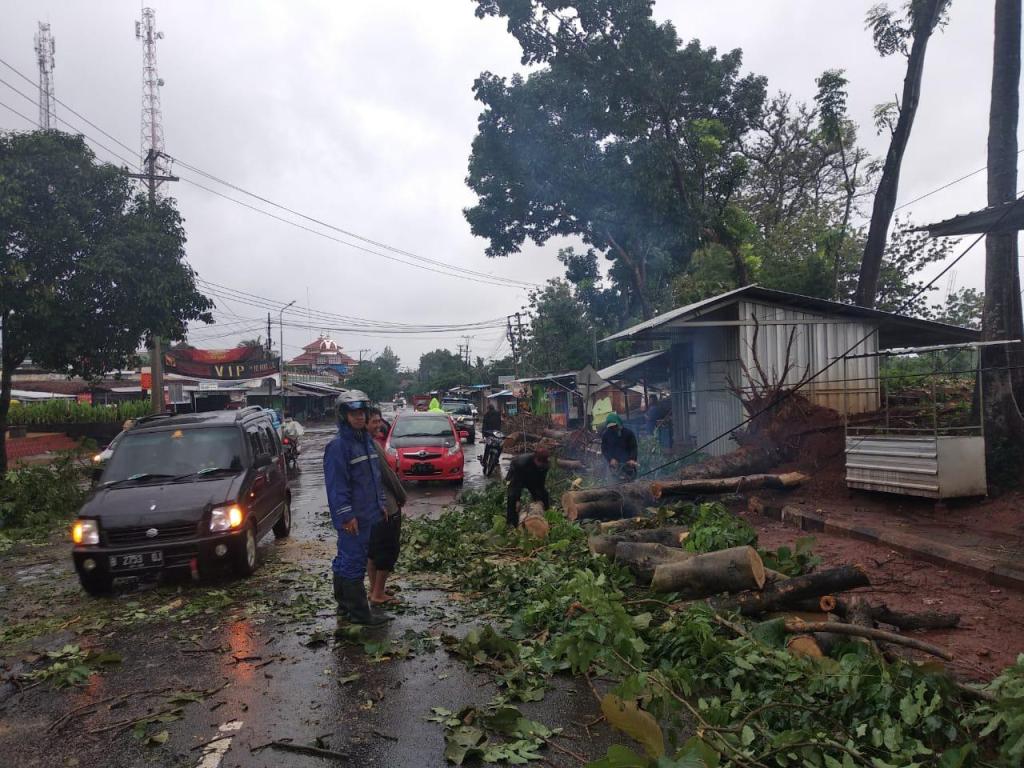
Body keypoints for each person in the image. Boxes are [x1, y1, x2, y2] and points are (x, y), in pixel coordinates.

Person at [323, 391, 391, 625]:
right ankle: (360, 614)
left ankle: (344, 607)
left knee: (346, 559)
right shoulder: (338, 447)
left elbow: (374, 478)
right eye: (354, 413)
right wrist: (346, 516)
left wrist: (380, 504)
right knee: (353, 562)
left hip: (369, 513)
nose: (359, 417)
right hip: (353, 518)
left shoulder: (367, 443)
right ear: (344, 416)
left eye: (362, 412)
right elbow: (337, 487)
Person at [366, 407, 407, 605]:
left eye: (379, 421)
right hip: (385, 506)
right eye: (374, 421)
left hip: (370, 507)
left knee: (373, 550)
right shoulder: (372, 446)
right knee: (387, 550)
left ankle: (374, 588)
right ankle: (378, 594)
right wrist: (401, 495)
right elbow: (387, 475)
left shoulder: (359, 445)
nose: (379, 425)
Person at [504, 446, 550, 527]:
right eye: (539, 461)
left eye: (543, 462)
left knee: (544, 495)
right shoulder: (521, 463)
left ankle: (546, 517)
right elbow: (517, 483)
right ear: (535, 458)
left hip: (531, 476)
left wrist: (539, 497)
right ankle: (511, 522)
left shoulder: (545, 466)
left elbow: (541, 483)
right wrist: (517, 499)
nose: (541, 464)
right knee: (512, 497)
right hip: (517, 475)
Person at [601, 413, 639, 479]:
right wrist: (610, 459)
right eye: (611, 427)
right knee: (615, 484)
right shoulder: (606, 435)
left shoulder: (628, 433)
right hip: (615, 465)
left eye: (615, 426)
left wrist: (632, 459)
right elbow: (604, 449)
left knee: (631, 482)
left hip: (628, 463)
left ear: (619, 423)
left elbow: (633, 448)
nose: (613, 428)